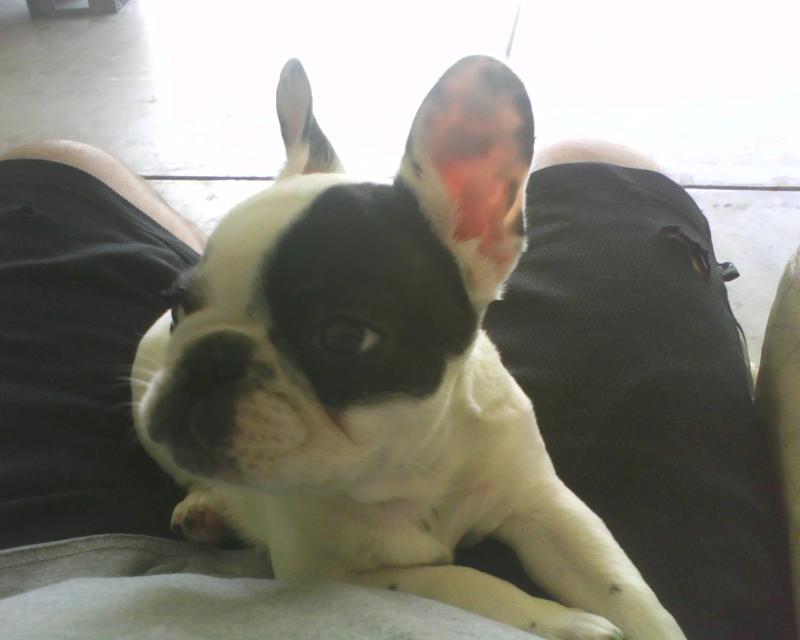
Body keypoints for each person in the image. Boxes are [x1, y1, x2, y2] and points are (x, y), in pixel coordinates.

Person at [0, 139, 794, 639]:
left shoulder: (494, 421)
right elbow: (317, 581)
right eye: (188, 309)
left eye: (338, 338)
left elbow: (543, 511)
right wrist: (533, 617)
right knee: (598, 163)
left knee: (55, 166)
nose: (205, 370)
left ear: (483, 247)